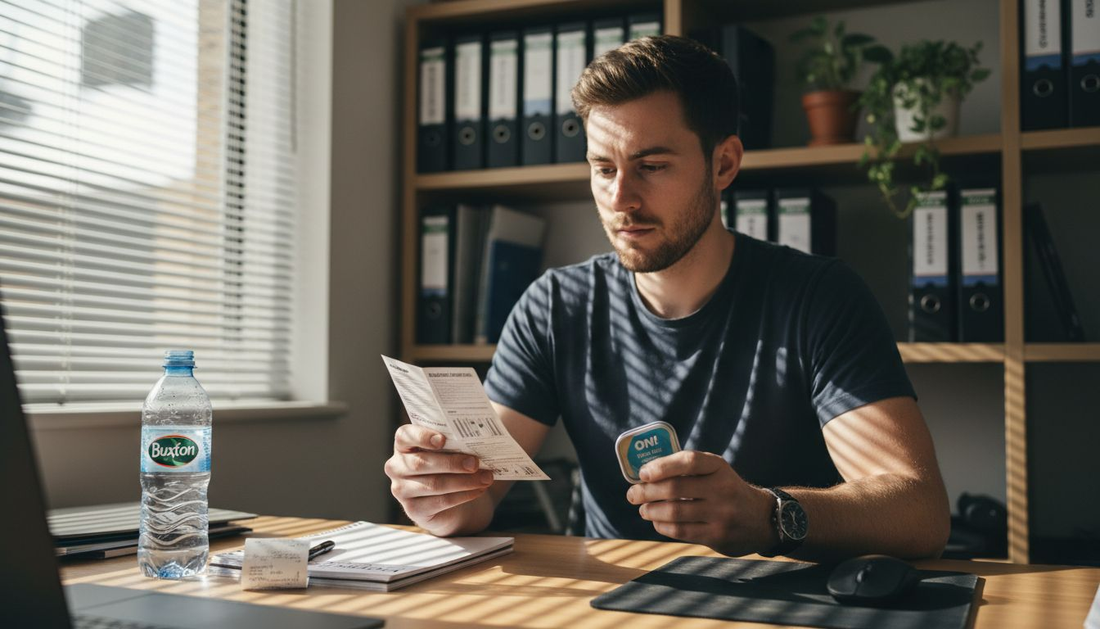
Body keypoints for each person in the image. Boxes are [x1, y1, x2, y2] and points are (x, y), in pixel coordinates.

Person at [385, 35, 950, 561]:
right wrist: (438, 489)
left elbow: (919, 511)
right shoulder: (556, 306)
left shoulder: (817, 298)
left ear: (724, 163)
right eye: (603, 169)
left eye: (651, 166)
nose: (620, 198)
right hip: (611, 603)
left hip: (779, 607)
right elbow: (477, 497)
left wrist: (769, 513)